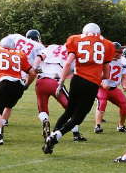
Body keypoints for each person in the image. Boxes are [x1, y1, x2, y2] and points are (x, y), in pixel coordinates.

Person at [42, 23, 116, 154]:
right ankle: (56, 136)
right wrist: (97, 77)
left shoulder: (75, 39)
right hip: (92, 83)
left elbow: (68, 63)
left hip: (77, 80)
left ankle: (51, 137)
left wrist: (61, 82)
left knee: (69, 111)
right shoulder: (108, 45)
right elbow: (106, 74)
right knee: (78, 117)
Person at [35, 43, 87, 142]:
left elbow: (39, 57)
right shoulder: (73, 53)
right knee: (71, 109)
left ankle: (45, 120)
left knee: (42, 108)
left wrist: (35, 67)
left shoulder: (52, 47)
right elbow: (73, 71)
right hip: (55, 82)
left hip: (41, 81)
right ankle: (76, 134)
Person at [1, 29, 46, 126]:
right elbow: (37, 69)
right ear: (38, 38)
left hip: (7, 70)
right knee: (10, 101)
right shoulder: (39, 47)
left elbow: (4, 44)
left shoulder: (17, 37)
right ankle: (3, 120)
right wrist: (27, 84)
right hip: (21, 76)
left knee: (3, 96)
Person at [94, 42, 126, 133]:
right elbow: (94, 75)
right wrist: (102, 83)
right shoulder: (102, 59)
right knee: (102, 102)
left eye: (120, 52)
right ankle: (97, 126)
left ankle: (121, 126)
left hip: (114, 88)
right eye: (117, 52)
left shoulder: (122, 61)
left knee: (125, 106)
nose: (119, 54)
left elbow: (124, 75)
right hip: (102, 88)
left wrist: (124, 84)